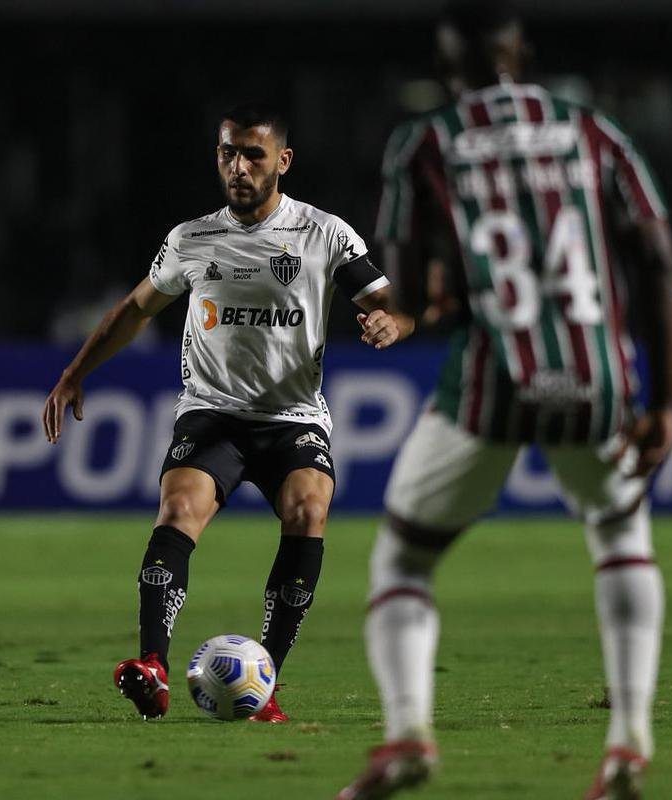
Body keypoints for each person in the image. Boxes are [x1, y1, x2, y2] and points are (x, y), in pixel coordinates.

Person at [337, 4, 672, 799]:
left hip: (495, 374)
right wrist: (664, 399)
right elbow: (658, 259)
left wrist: (427, 300)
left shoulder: (424, 142)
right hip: (596, 373)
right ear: (520, 53)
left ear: (447, 66)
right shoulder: (592, 130)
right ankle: (628, 746)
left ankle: (408, 736)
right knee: (621, 533)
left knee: (403, 556)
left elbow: (401, 288)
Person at [42, 103, 414, 723]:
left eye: (253, 155)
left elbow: (391, 302)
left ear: (283, 162)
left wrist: (390, 322)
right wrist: (76, 373)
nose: (238, 167)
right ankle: (153, 669)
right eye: (227, 154)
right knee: (179, 508)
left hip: (294, 416)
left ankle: (264, 680)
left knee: (308, 509)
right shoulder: (193, 239)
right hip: (213, 412)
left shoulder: (324, 234)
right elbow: (135, 310)